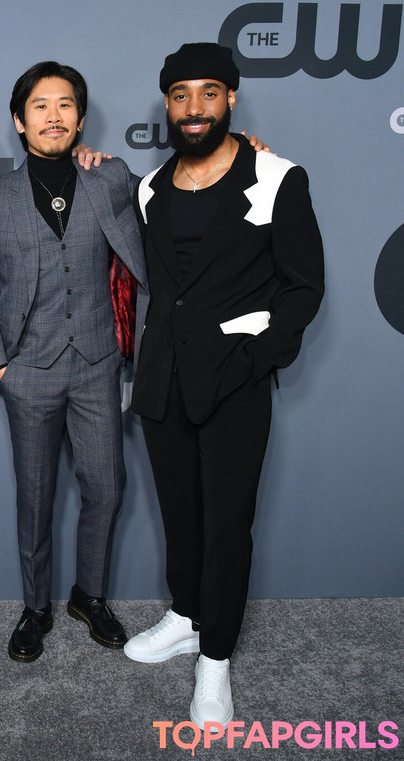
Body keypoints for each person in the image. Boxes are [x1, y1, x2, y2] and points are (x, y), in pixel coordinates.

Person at [124, 43, 324, 727]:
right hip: (163, 378)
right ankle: (186, 615)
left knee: (227, 521)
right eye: (180, 95)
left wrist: (255, 359)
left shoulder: (276, 177)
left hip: (235, 379)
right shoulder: (151, 187)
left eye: (209, 93)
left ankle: (216, 658)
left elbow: (303, 286)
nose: (194, 107)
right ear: (168, 104)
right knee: (179, 512)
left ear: (230, 98)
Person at [0, 61, 148, 662]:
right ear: (19, 122)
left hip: (98, 365)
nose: (53, 115)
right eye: (40, 106)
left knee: (107, 489)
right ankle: (35, 606)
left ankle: (89, 596)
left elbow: (181, 187)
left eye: (65, 104)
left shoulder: (110, 177)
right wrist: (1, 369)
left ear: (81, 118)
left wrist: (246, 151)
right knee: (35, 497)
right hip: (29, 372)